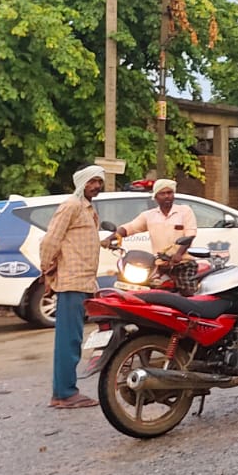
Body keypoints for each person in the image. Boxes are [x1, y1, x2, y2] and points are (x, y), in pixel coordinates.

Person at [39, 165, 105, 408]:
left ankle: (63, 391)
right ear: (81, 184)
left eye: (99, 181)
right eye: (92, 182)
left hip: (82, 280)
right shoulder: (72, 206)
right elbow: (50, 240)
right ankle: (65, 393)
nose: (96, 186)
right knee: (69, 340)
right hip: (72, 282)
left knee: (71, 339)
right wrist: (46, 269)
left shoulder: (87, 208)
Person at [108, 178, 199, 289]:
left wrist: (179, 254)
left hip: (183, 263)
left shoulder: (185, 211)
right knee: (142, 288)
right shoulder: (149, 215)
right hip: (159, 264)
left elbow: (190, 235)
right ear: (155, 197)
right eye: (162, 193)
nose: (166, 196)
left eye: (169, 193)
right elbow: (129, 228)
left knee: (187, 292)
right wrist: (109, 238)